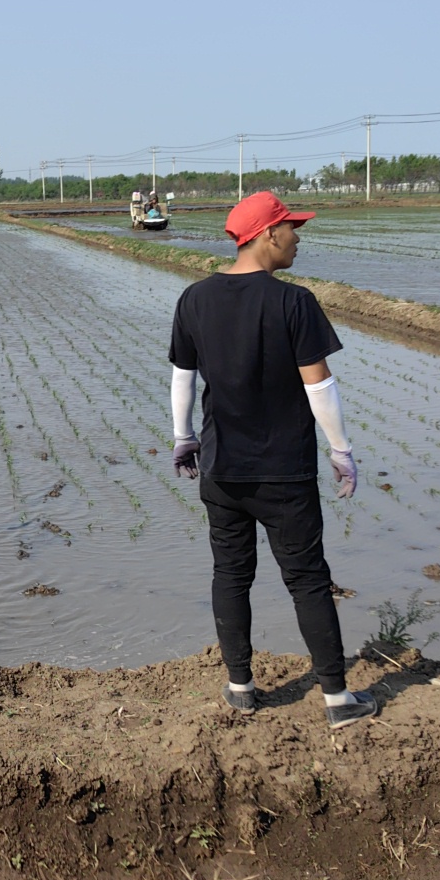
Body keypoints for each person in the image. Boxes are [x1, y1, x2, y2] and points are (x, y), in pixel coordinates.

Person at [167, 191, 378, 729]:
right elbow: (319, 386)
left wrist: (183, 437)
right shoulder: (294, 302)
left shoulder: (194, 299)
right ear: (266, 234)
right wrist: (341, 450)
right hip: (282, 470)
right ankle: (336, 699)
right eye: (291, 228)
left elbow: (183, 378)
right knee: (307, 578)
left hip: (220, 468)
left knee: (231, 574)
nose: (298, 237)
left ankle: (241, 687)